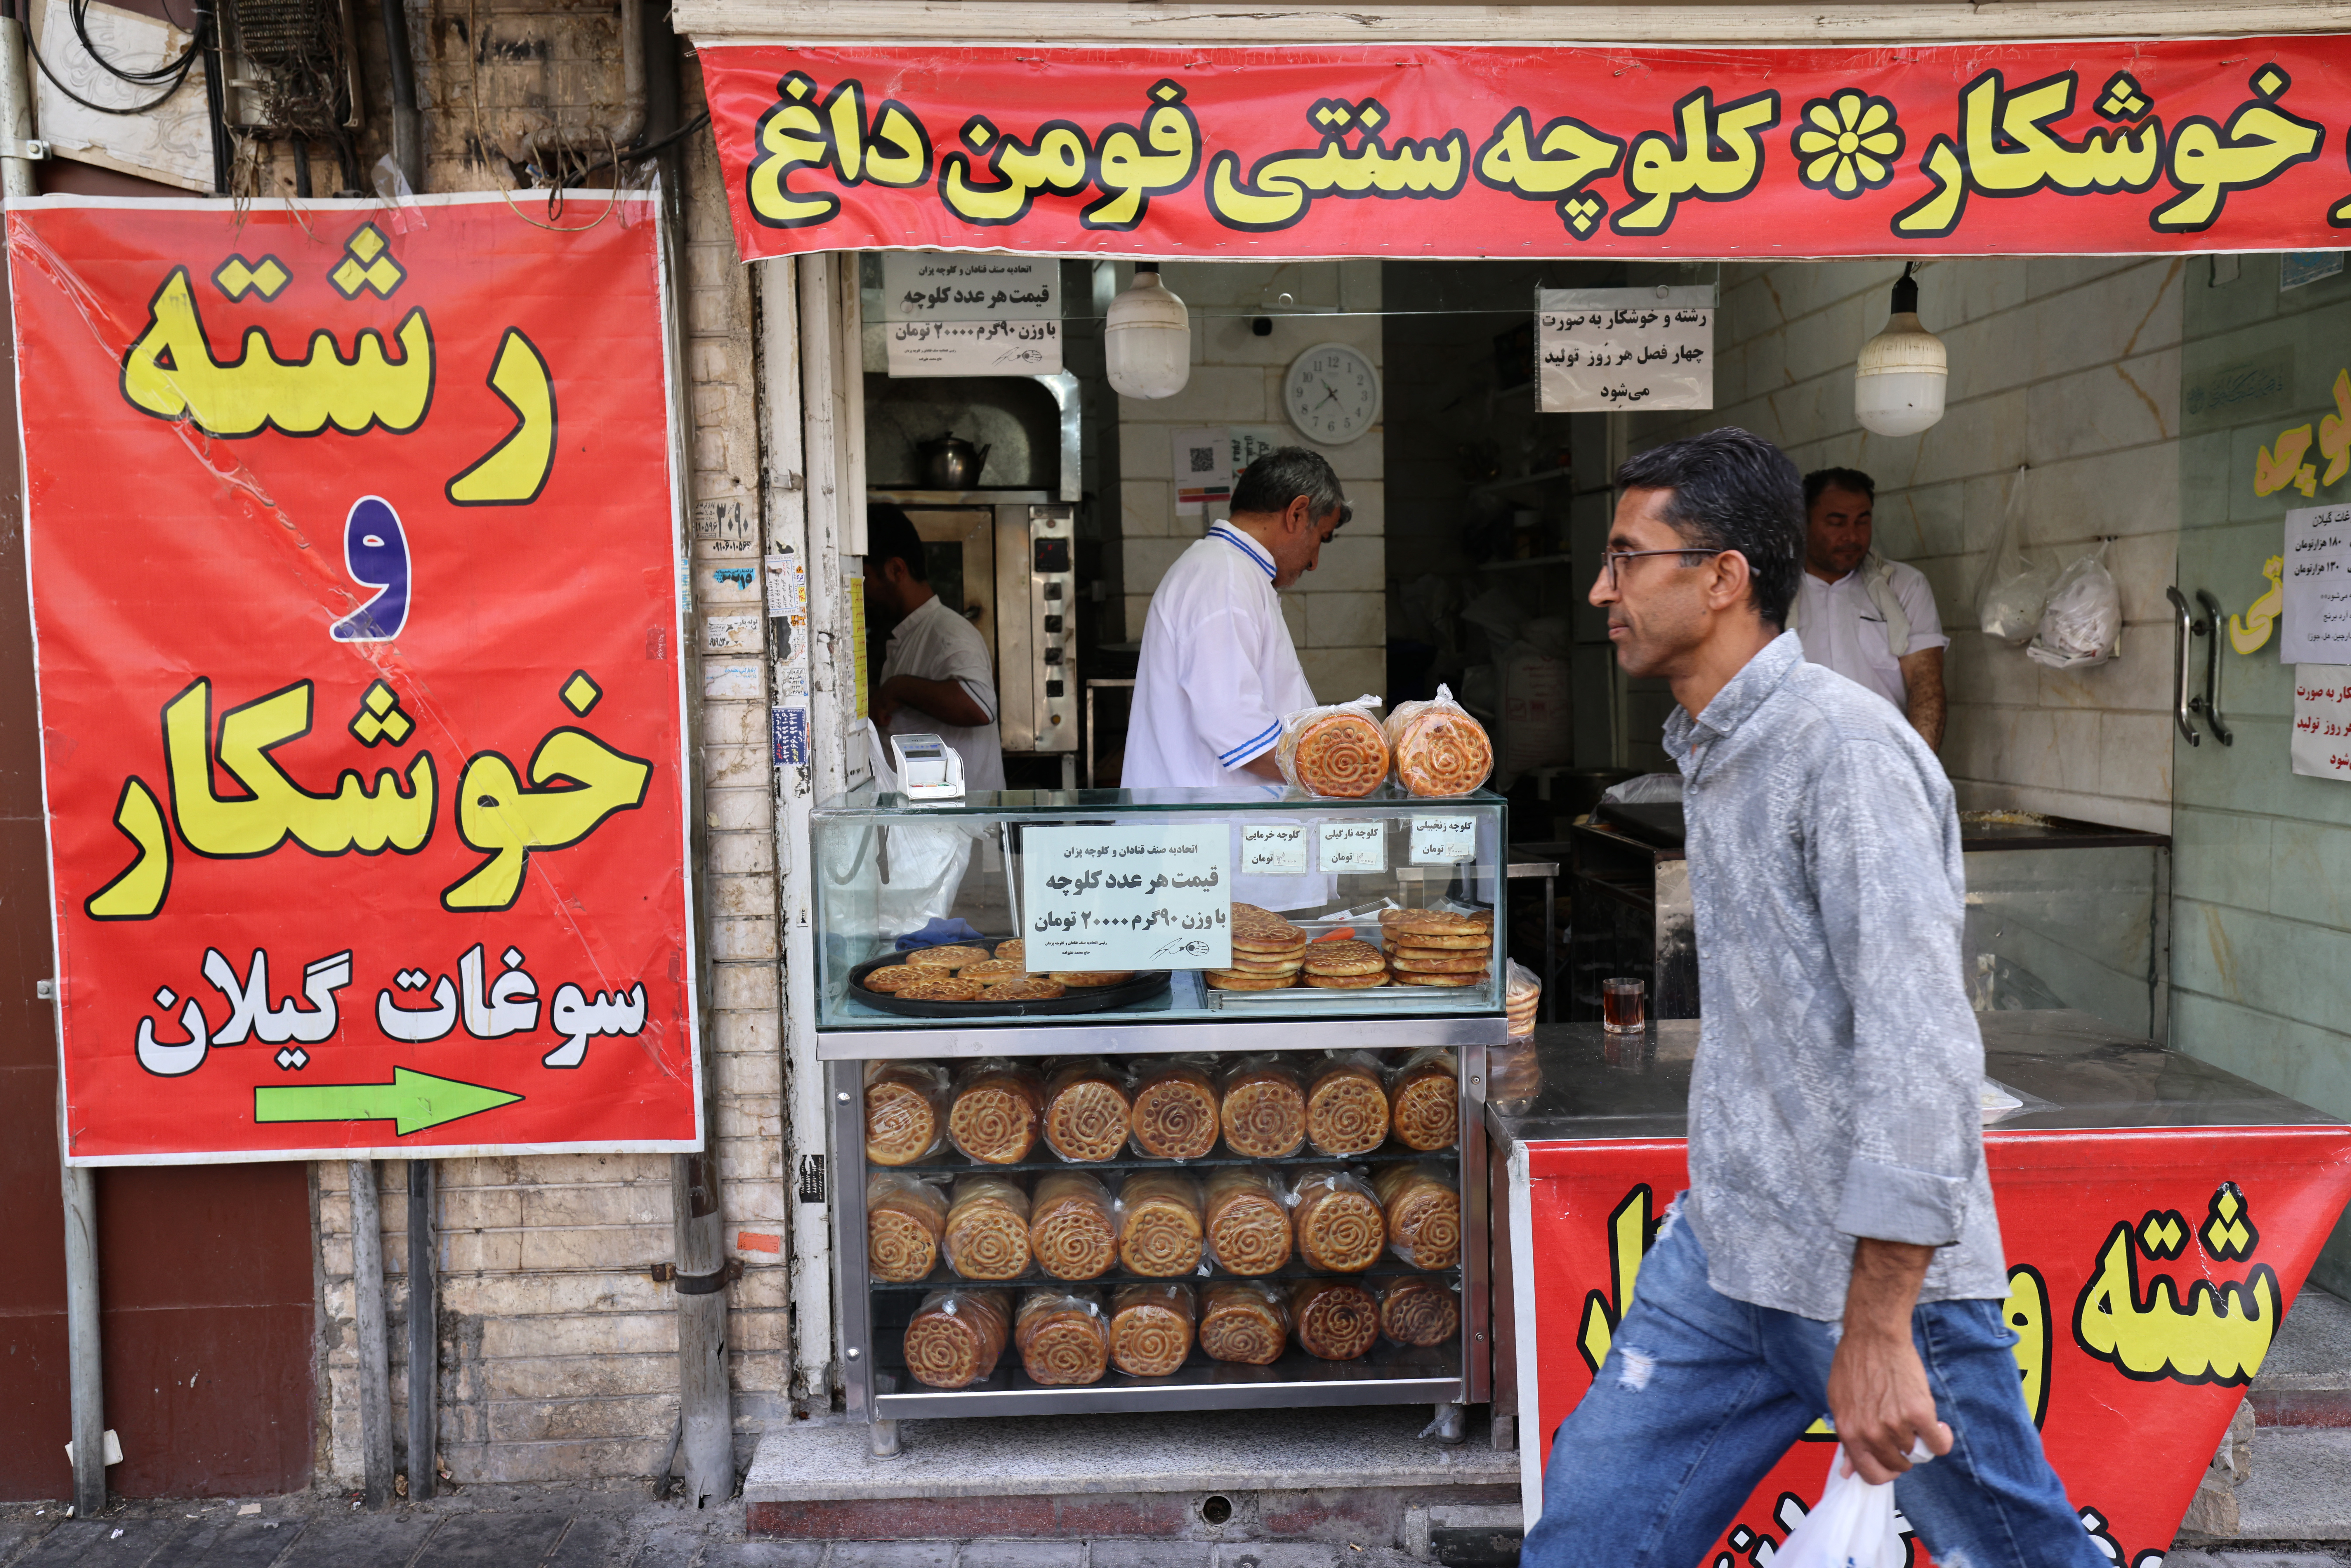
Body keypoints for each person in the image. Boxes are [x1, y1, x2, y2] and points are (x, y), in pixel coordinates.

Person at [1522, 429, 2099, 1568]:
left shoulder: (1840, 752)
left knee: (2017, 1554)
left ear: (1721, 576)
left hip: (1879, 1280)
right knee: (1585, 1542)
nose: (1602, 590)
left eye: (1626, 558)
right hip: (1730, 1246)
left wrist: (1880, 1323)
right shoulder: (1715, 744)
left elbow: (1920, 1049)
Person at [1124, 448, 1348, 789]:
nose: (1314, 561)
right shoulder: (1223, 576)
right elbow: (1240, 732)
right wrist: (1348, 768)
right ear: (1297, 514)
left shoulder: (1234, 572)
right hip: (1204, 832)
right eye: (1322, 538)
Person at [1788, 467, 1948, 750]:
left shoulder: (1904, 586)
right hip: (1795, 767)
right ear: (1802, 522)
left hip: (1882, 765)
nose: (1851, 535)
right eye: (1836, 522)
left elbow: (1926, 685)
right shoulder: (1770, 593)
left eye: (1862, 521)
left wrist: (1919, 774)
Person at [862, 504, 1006, 793]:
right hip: (932, 829)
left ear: (895, 569)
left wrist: (898, 688)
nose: (863, 593)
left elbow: (980, 706)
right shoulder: (911, 634)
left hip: (962, 832)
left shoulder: (946, 631)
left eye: (866, 579)